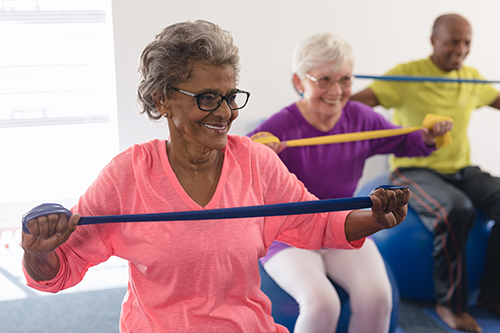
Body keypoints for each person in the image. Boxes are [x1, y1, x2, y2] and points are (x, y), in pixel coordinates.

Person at [20, 20, 411, 333]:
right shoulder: (129, 175)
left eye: (230, 96)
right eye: (207, 98)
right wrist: (39, 251)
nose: (225, 113)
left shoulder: (255, 163)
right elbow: (59, 270)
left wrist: (376, 218)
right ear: (162, 99)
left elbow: (318, 222)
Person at [247, 33, 452, 333]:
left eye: (345, 80)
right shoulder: (279, 128)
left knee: (378, 298)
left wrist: (431, 135)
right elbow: (238, 170)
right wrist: (257, 155)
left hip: (344, 226)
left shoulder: (360, 118)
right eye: (325, 80)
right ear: (299, 82)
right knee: (321, 303)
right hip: (288, 235)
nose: (337, 90)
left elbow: (408, 140)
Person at [351, 13, 500, 333]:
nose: (460, 49)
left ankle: (492, 296)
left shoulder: (471, 78)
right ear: (434, 40)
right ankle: (450, 305)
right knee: (454, 209)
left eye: (467, 43)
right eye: (452, 42)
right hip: (415, 168)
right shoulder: (408, 75)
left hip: (461, 169)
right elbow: (353, 106)